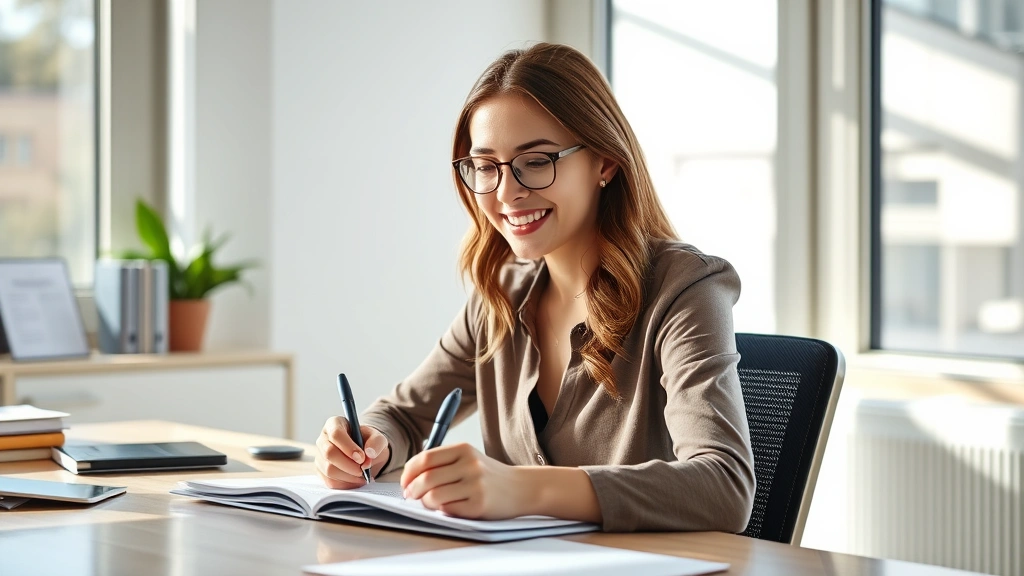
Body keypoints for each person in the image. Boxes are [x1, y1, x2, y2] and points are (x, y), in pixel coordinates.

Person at [314, 42, 755, 533]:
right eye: (486, 166)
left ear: (605, 162)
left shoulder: (686, 287)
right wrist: (368, 442)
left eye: (537, 160)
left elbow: (725, 486)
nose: (506, 193)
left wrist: (520, 488)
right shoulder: (501, 295)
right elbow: (402, 414)